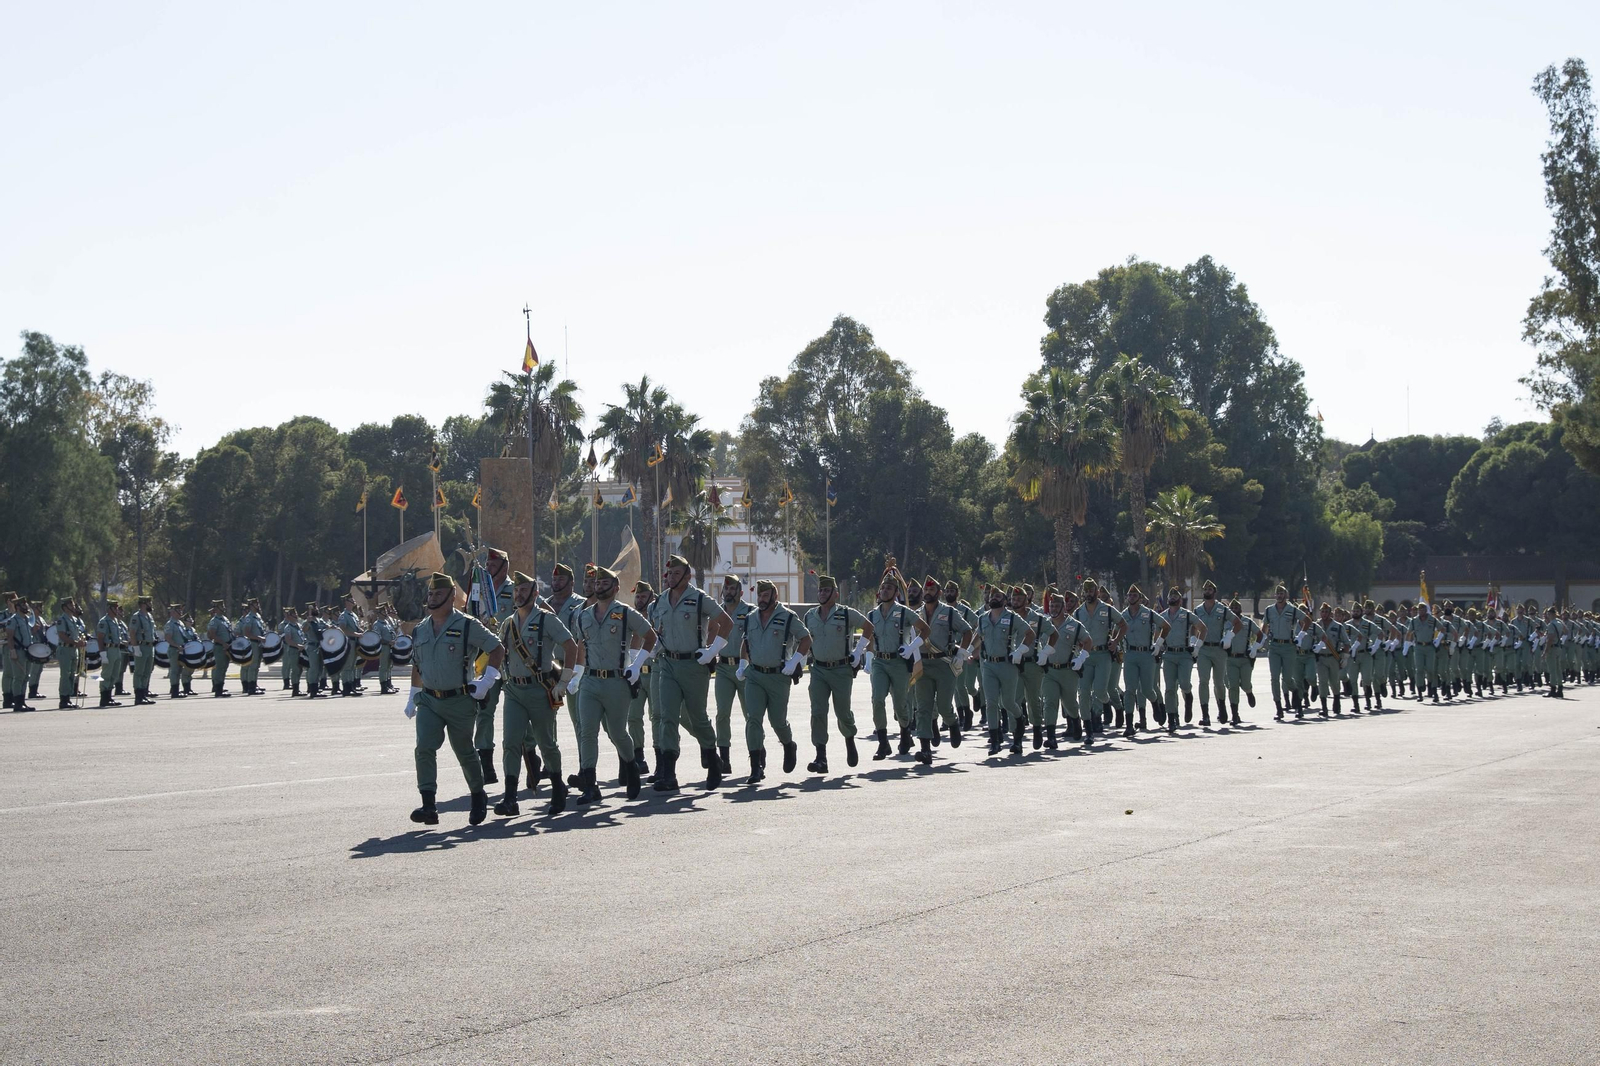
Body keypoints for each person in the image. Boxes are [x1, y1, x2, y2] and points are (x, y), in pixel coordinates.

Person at [401, 572, 504, 826]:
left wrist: (486, 681)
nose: (432, 598)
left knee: (464, 751)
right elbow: (418, 664)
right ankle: (428, 805)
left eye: (438, 594)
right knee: (424, 748)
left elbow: (497, 648)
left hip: (459, 700)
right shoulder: (421, 628)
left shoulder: (467, 625)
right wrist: (413, 694)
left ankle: (478, 796)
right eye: (430, 594)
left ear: (451, 597)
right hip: (429, 700)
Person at [494, 570, 580, 817]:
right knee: (510, 743)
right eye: (516, 591)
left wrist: (564, 680)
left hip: (539, 689)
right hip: (514, 690)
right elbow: (500, 651)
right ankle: (510, 797)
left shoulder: (546, 619)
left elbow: (570, 646)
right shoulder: (508, 623)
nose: (519, 595)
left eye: (524, 591)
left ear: (535, 593)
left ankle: (556, 787)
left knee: (546, 743)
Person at [645, 554, 730, 792]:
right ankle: (669, 774)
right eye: (669, 573)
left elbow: (726, 622)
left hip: (693, 666)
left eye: (676, 573)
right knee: (667, 717)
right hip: (668, 665)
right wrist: (650, 652)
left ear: (687, 576)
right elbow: (658, 632)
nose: (671, 577)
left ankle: (713, 760)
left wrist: (712, 651)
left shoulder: (699, 598)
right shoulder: (660, 601)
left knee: (697, 717)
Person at [736, 579, 811, 778]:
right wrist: (742, 664)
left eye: (766, 596)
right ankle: (755, 766)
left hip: (779, 676)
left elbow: (806, 639)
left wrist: (794, 661)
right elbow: (746, 642)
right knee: (753, 719)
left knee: (777, 721)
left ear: (775, 596)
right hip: (755, 675)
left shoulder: (787, 616)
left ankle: (788, 744)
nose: (761, 599)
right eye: (759, 596)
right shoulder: (751, 617)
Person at [801, 574, 873, 773]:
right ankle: (821, 757)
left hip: (841, 669)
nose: (822, 594)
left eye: (827, 590)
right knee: (817, 712)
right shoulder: (810, 616)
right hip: (818, 670)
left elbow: (869, 627)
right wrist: (799, 661)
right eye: (821, 590)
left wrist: (858, 653)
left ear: (836, 594)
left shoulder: (846, 613)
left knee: (842, 711)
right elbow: (804, 640)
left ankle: (849, 739)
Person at [867, 568, 928, 759]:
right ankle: (883, 743)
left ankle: (904, 732)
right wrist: (868, 657)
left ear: (896, 593)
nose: (884, 591)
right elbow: (869, 637)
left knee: (900, 703)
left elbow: (925, 630)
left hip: (899, 663)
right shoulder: (872, 614)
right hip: (879, 662)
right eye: (883, 588)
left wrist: (912, 647)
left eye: (889, 588)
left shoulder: (904, 613)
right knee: (877, 699)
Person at [913, 575, 972, 756]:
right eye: (926, 590)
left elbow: (967, 631)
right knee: (923, 707)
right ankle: (925, 749)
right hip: (923, 663)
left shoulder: (949, 612)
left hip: (944, 664)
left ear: (939, 593)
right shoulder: (917, 614)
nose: (928, 593)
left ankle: (953, 723)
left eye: (931, 590)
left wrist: (961, 654)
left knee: (944, 704)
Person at [977, 583, 1034, 754]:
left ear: (1004, 601)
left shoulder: (1012, 618)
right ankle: (995, 741)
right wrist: (966, 652)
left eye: (998, 597)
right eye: (992, 596)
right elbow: (979, 637)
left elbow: (1030, 634)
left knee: (1008, 702)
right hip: (988, 665)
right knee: (991, 703)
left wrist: (1020, 651)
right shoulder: (983, 618)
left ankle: (1018, 728)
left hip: (1007, 665)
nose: (993, 598)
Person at [1072, 579, 1126, 737]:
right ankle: (1091, 721)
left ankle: (1114, 705)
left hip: (1103, 654)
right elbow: (1074, 633)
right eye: (1086, 591)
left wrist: (1115, 641)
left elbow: (1123, 625)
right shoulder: (1078, 612)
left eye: (1091, 591)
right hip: (1086, 655)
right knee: (1084, 691)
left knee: (1101, 690)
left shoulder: (1107, 609)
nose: (1089, 594)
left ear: (1097, 592)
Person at [713, 575, 755, 775]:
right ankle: (724, 759)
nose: (728, 593)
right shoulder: (717, 612)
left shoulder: (750, 612)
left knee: (751, 714)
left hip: (745, 668)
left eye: (732, 589)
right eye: (726, 589)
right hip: (723, 668)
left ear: (740, 592)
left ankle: (757, 756)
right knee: (722, 713)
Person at [1040, 586, 1088, 746]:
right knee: (1050, 702)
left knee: (1070, 703)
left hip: (1068, 670)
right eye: (1051, 606)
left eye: (1056, 606)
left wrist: (1082, 657)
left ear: (1063, 607)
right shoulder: (1045, 624)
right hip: (1049, 671)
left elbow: (1088, 641)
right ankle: (1051, 737)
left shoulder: (1074, 625)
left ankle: (1076, 720)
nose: (1053, 609)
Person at [1121, 585, 1168, 734]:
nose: (1132, 597)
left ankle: (1155, 703)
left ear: (1140, 598)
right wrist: (1115, 642)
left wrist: (1158, 644)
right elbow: (1116, 631)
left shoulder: (1149, 614)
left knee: (1147, 689)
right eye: (1130, 595)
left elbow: (1166, 626)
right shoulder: (1123, 615)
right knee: (1130, 690)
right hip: (1130, 654)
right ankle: (1128, 725)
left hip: (1146, 655)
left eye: (1135, 595)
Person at [1158, 586, 1206, 728]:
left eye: (1175, 597)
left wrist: (1197, 646)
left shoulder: (1187, 615)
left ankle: (1188, 696)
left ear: (1180, 601)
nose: (1172, 599)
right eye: (1170, 597)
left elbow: (1203, 629)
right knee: (1170, 688)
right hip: (1169, 654)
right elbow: (1157, 634)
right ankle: (1171, 718)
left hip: (1184, 654)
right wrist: (1157, 646)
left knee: (1184, 683)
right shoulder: (1163, 616)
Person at [1263, 586, 1309, 719]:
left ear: (1286, 595)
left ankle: (1297, 698)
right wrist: (1261, 640)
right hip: (1275, 647)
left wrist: (1300, 636)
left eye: (1281, 593)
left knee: (1288, 678)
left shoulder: (1293, 610)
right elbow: (1265, 626)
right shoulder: (1269, 610)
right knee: (1274, 678)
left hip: (1289, 647)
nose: (1279, 596)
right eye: (1277, 593)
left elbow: (1307, 621)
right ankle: (1278, 708)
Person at [944, 581, 983, 730]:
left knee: (961, 686)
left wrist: (974, 647)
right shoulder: (942, 610)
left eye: (952, 591)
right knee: (952, 687)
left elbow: (980, 626)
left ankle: (967, 713)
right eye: (947, 591)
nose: (949, 593)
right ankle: (959, 715)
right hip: (946, 652)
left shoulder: (965, 611)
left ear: (957, 593)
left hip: (962, 650)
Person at [1192, 581, 1230, 723]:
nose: (1207, 591)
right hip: (1203, 649)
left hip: (1219, 650)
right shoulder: (1198, 610)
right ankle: (1205, 715)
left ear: (1215, 592)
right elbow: (1193, 626)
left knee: (1219, 683)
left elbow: (1236, 622)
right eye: (1205, 589)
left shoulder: (1222, 609)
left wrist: (1229, 636)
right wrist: (1192, 640)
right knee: (1203, 681)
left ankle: (1222, 708)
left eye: (1210, 589)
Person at [629, 580, 655, 778]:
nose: (639, 600)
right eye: (637, 597)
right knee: (633, 716)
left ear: (651, 598)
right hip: (636, 674)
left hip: (655, 672)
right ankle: (639, 756)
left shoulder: (656, 616)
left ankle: (661, 757)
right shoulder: (631, 618)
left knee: (657, 717)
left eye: (643, 596)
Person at [1222, 598, 1260, 725]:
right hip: (1230, 659)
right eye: (1231, 609)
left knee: (1245, 683)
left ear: (1241, 610)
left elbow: (1260, 634)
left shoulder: (1248, 622)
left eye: (1236, 608)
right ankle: (1235, 714)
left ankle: (1249, 692)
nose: (1233, 611)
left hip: (1244, 659)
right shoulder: (1225, 623)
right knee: (1232, 687)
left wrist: (1255, 647)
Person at [55, 598, 88, 709]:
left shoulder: (74, 619)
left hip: (74, 650)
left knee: (72, 674)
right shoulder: (62, 620)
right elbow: (62, 635)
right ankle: (63, 699)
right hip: (65, 649)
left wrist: (81, 641)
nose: (73, 606)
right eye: (71, 605)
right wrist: (75, 642)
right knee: (65, 674)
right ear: (65, 607)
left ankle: (68, 697)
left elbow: (77, 634)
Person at [94, 600, 127, 708]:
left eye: (117, 608)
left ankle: (109, 696)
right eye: (115, 608)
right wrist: (103, 653)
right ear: (109, 609)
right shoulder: (104, 621)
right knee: (106, 674)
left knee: (115, 674)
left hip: (116, 650)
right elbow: (100, 638)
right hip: (108, 650)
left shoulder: (115, 621)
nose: (117, 610)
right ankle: (104, 698)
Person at [128, 596, 158, 706]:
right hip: (141, 646)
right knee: (139, 672)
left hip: (150, 646)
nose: (151, 605)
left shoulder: (149, 616)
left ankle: (144, 693)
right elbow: (132, 632)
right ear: (144, 604)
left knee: (147, 671)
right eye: (150, 603)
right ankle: (138, 696)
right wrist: (135, 647)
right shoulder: (137, 617)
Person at [236, 598, 266, 695]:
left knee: (256, 665)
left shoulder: (257, 616)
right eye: (255, 604)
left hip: (259, 644)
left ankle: (254, 684)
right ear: (251, 605)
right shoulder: (249, 617)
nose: (258, 605)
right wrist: (259, 638)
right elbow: (247, 633)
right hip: (253, 643)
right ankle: (250, 688)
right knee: (252, 666)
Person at [204, 601, 234, 699]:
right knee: (219, 668)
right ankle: (218, 690)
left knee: (224, 668)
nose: (224, 607)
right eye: (222, 606)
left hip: (227, 647)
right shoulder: (215, 620)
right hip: (220, 647)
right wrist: (223, 643)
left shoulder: (224, 619)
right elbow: (212, 635)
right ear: (217, 608)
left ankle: (221, 687)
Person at [372, 601, 400, 695]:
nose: (386, 613)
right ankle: (383, 686)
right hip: (384, 647)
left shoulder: (386, 623)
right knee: (383, 667)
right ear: (379, 613)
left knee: (389, 666)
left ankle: (388, 684)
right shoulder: (377, 624)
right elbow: (377, 638)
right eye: (384, 612)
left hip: (390, 647)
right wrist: (388, 642)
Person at [279, 607, 305, 696]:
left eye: (296, 615)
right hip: (294, 650)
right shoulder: (288, 627)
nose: (296, 616)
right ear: (289, 616)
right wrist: (297, 645)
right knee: (295, 669)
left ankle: (297, 688)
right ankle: (295, 690)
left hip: (300, 650)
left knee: (300, 669)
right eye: (294, 615)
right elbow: (288, 640)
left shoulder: (298, 626)